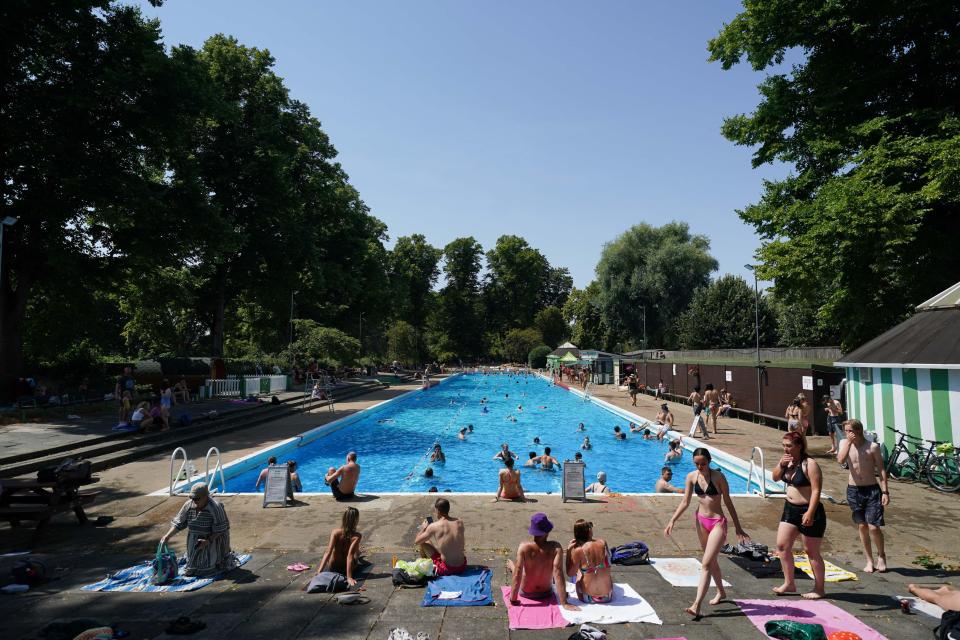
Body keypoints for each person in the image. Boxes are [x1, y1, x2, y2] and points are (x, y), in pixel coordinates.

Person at [664, 447, 749, 619]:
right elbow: (685, 501)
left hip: (718, 523)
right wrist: (672, 520)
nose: (700, 467)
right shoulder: (691, 477)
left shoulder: (718, 477)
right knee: (710, 561)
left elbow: (728, 502)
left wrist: (737, 527)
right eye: (697, 464)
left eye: (703, 463)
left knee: (705, 564)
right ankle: (721, 592)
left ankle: (696, 605)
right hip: (701, 521)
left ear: (709, 461)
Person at [772, 432, 826, 598]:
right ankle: (789, 583)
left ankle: (819, 588)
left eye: (789, 446)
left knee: (811, 551)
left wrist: (810, 511)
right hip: (790, 509)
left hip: (809, 510)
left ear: (799, 445)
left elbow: (817, 490)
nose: (785, 449)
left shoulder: (810, 464)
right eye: (784, 445)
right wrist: (781, 465)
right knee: (782, 546)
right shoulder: (787, 461)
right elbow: (774, 478)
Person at [838, 419, 890, 573]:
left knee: (874, 526)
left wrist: (885, 491)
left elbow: (881, 470)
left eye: (850, 431)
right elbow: (840, 460)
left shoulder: (872, 447)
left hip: (872, 490)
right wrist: (848, 443)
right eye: (846, 431)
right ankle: (869, 560)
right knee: (862, 526)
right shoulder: (844, 444)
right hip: (854, 490)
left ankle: (881, 555)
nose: (848, 434)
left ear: (859, 431)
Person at [160, 483, 233, 577]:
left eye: (197, 498)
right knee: (191, 570)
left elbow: (221, 529)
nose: (194, 501)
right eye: (192, 498)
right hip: (194, 540)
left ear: (206, 497)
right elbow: (179, 523)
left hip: (213, 540)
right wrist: (167, 536)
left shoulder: (215, 507)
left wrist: (208, 541)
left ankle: (218, 560)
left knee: (206, 570)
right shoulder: (188, 505)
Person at [509, 513, 578, 610]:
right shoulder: (556, 548)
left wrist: (513, 599)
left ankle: (512, 566)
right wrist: (564, 603)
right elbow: (558, 573)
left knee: (518, 568)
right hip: (546, 593)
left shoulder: (524, 547)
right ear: (547, 532)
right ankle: (512, 566)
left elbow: (518, 574)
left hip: (526, 593)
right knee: (552, 571)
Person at [566, 519, 614, 604]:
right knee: (602, 570)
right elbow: (609, 564)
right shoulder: (603, 543)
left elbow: (570, 573)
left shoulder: (578, 550)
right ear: (589, 530)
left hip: (587, 598)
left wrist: (569, 551)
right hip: (607, 596)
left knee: (578, 572)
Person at [415, 498, 467, 576]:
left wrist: (424, 528)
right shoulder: (459, 522)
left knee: (423, 543)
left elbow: (417, 541)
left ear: (437, 510)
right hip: (462, 566)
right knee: (432, 543)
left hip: (446, 569)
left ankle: (426, 565)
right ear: (448, 509)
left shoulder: (434, 526)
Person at [317, 507, 363, 588]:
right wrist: (349, 577)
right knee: (356, 554)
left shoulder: (335, 532)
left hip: (333, 567)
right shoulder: (357, 536)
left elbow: (328, 552)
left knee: (352, 551)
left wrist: (319, 571)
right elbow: (350, 556)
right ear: (356, 520)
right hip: (346, 568)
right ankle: (358, 553)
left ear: (344, 518)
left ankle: (358, 552)